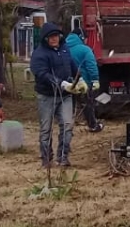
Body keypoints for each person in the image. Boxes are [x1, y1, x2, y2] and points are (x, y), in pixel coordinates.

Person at [29, 22, 82, 167]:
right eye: (50, 37)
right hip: (46, 96)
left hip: (65, 96)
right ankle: (46, 158)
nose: (54, 39)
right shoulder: (39, 54)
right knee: (46, 128)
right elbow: (42, 74)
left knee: (67, 126)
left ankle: (63, 157)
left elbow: (72, 65)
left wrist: (80, 79)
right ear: (45, 39)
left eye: (56, 36)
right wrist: (61, 83)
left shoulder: (65, 49)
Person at [65, 28, 103, 132]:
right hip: (83, 83)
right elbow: (91, 66)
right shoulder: (85, 49)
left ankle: (67, 129)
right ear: (81, 37)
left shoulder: (63, 49)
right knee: (87, 105)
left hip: (66, 83)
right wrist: (95, 80)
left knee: (68, 106)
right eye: (85, 38)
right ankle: (93, 125)